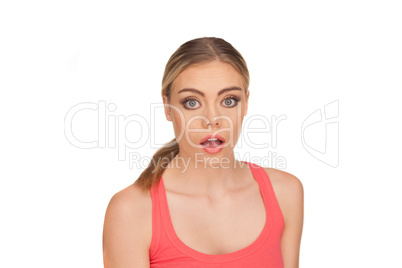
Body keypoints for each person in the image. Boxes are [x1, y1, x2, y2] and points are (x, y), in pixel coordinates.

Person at [103, 37, 303, 267]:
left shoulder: (285, 193)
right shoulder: (131, 211)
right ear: (167, 106)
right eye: (191, 102)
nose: (211, 120)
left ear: (246, 104)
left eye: (228, 100)